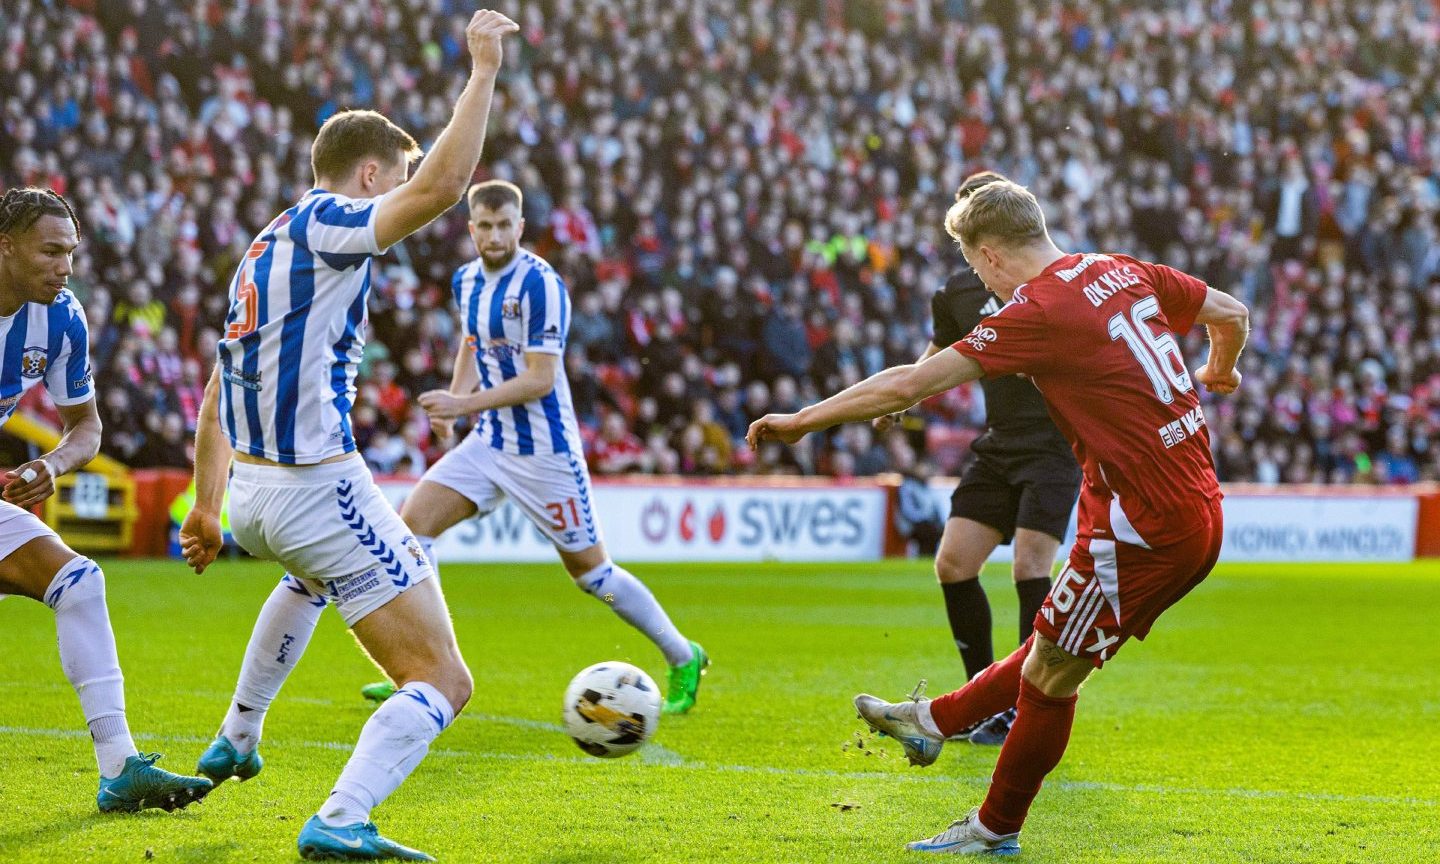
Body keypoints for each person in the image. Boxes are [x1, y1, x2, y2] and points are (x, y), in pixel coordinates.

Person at [747, 179, 1248, 855]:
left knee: (1050, 676)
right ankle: (934, 720)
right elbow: (1231, 311)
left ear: (988, 255)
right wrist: (1221, 371)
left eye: (972, 261)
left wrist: (803, 422)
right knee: (1051, 647)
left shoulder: (1040, 310)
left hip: (1145, 524)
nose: (976, 275)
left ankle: (994, 828)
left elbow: (909, 383)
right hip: (1185, 501)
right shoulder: (1120, 269)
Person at [179, 11, 518, 862]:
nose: (401, 186)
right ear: (368, 172)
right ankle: (341, 817)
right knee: (443, 680)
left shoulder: (262, 247)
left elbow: (220, 385)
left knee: (311, 581)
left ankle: (239, 735)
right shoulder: (329, 221)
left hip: (254, 491)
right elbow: (441, 190)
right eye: (392, 174)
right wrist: (482, 72)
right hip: (313, 485)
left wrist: (206, 505)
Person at [359, 180, 708, 713]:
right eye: (485, 226)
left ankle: (682, 654)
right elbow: (472, 342)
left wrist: (462, 406)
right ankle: (426, 669)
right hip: (489, 443)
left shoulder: (541, 285)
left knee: (595, 577)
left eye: (505, 226)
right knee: (413, 532)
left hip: (545, 453)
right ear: (471, 227)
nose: (495, 236)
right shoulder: (466, 280)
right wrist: (456, 401)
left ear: (520, 228)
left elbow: (541, 379)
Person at [0, 187, 212, 812]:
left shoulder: (61, 317)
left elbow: (86, 427)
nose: (64, 266)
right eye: (50, 251)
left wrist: (51, 463)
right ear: (6, 246)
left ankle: (119, 766)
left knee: (80, 581)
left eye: (71, 252)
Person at [877, 171, 1082, 746]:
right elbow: (940, 351)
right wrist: (905, 396)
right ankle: (981, 702)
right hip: (999, 442)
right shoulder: (957, 291)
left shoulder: (1047, 277)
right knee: (953, 563)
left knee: (1029, 565)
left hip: (1052, 443)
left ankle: (1024, 706)